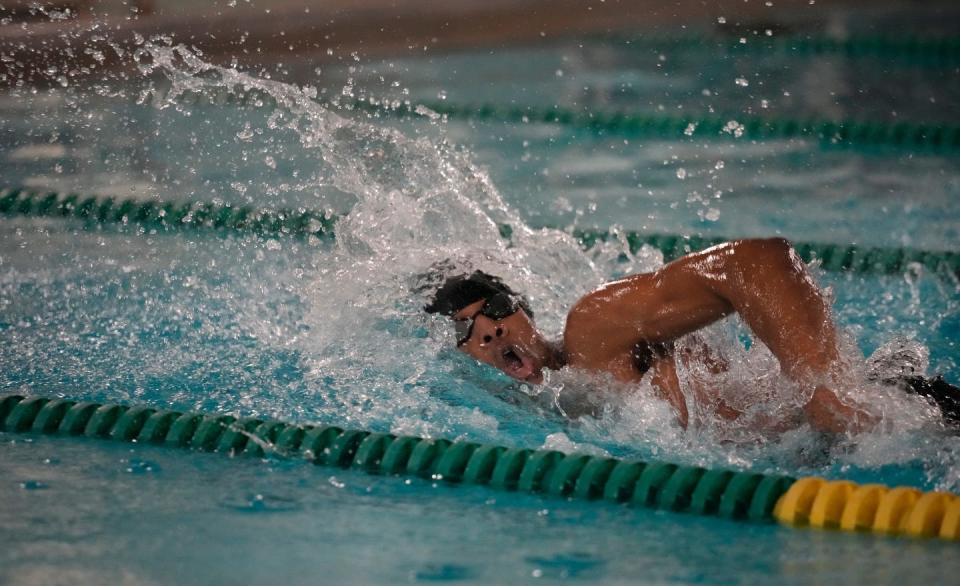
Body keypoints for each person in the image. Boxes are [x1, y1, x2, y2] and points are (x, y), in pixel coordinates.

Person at [424, 238, 960, 434]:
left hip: (888, 414)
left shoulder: (593, 332)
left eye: (494, 307)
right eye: (467, 329)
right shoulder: (542, 415)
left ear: (522, 307)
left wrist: (824, 389)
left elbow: (752, 261)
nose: (490, 327)